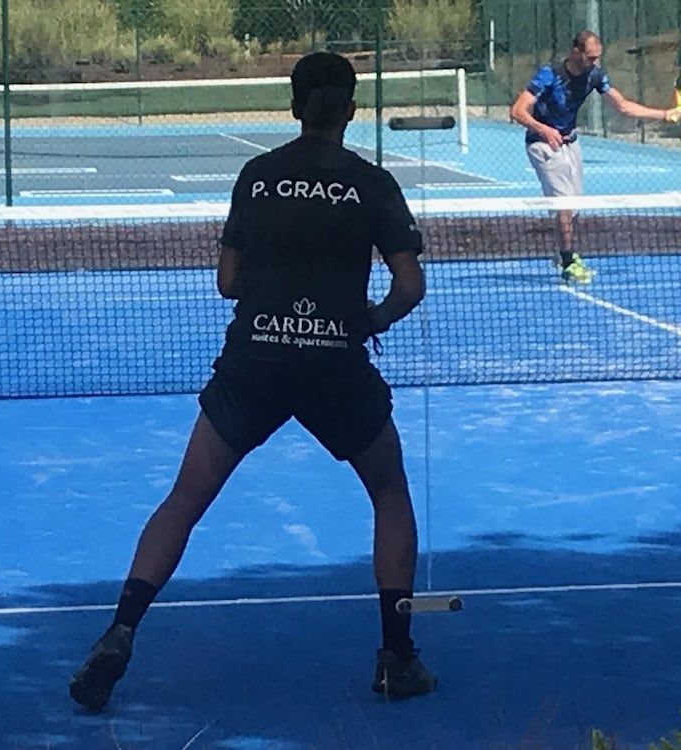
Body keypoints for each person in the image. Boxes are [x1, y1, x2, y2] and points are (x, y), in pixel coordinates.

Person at [68, 51, 435, 709]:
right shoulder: (373, 183)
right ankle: (397, 658)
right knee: (389, 492)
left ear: (294, 107)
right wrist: (366, 320)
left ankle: (121, 630)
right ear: (351, 111)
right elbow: (409, 286)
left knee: (184, 499)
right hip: (335, 365)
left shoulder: (257, 177)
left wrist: (276, 305)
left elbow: (227, 282)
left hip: (253, 363)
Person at [510, 30, 681, 284]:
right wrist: (544, 130)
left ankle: (563, 252)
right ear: (575, 52)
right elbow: (517, 111)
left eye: (597, 57)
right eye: (590, 57)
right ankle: (568, 261)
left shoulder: (595, 76)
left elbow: (623, 106)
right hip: (542, 145)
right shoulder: (550, 74)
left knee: (575, 206)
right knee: (564, 205)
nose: (594, 62)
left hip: (570, 143)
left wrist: (665, 114)